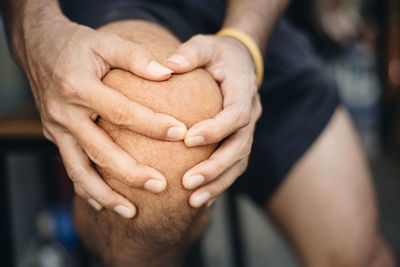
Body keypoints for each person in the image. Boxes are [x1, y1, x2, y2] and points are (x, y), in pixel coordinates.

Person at [0, 0, 395, 266]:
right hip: (111, 6)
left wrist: (245, 40)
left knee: (358, 254)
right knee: (158, 170)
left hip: (245, 14)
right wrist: (35, 25)